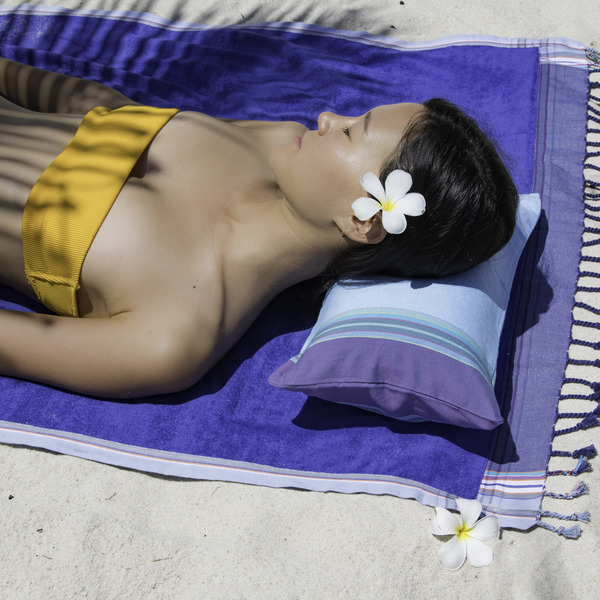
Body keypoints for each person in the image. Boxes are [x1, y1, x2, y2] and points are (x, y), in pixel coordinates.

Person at [0, 57, 517, 398]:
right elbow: (104, 112)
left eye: (350, 132)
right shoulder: (271, 141)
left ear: (362, 222)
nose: (326, 117)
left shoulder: (173, 336)